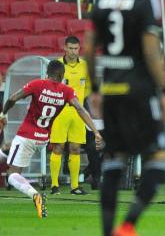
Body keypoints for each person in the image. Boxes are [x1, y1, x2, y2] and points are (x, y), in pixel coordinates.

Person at [85, 0, 165, 236]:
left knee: (113, 159)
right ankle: (127, 226)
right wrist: (163, 90)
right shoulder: (146, 0)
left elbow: (88, 48)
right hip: (139, 92)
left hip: (110, 91)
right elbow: (149, 48)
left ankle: (107, 233)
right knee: (158, 158)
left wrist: (96, 87)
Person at [0, 60, 102, 218]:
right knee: (8, 147)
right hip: (43, 139)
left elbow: (13, 98)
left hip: (27, 135)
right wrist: (95, 132)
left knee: (12, 175)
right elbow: (80, 109)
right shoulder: (67, 91)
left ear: (47, 73)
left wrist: (3, 114)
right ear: (62, 75)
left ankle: (36, 196)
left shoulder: (37, 84)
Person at [49, 35, 92, 195]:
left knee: (75, 148)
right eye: (71, 48)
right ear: (65, 48)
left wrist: (79, 101)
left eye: (76, 48)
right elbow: (49, 85)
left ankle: (74, 187)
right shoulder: (57, 65)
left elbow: (88, 86)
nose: (74, 51)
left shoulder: (85, 66)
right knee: (58, 147)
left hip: (77, 111)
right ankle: (54, 185)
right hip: (60, 111)